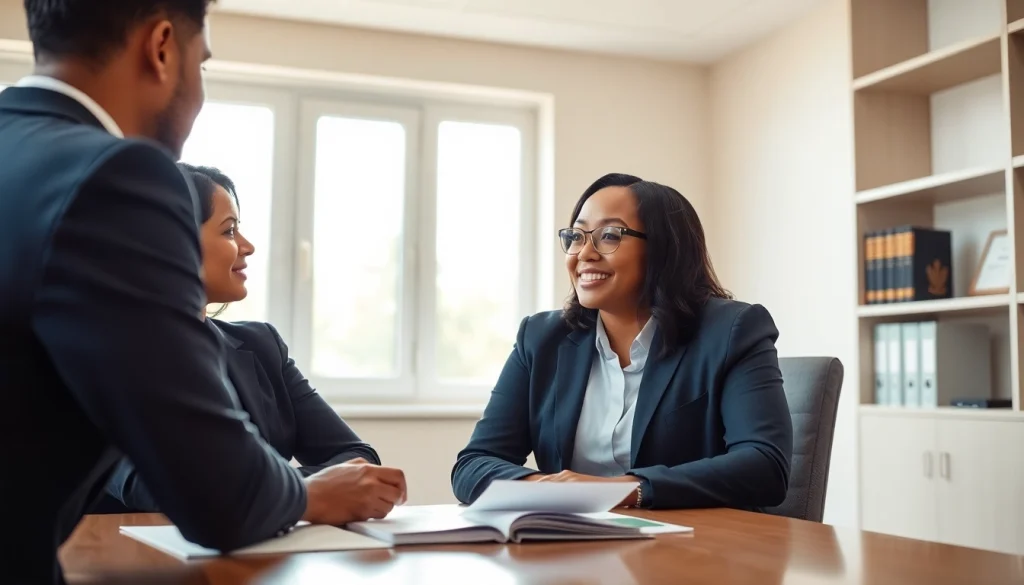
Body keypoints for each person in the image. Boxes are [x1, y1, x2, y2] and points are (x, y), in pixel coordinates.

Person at [0, 2, 404, 582]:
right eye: (204, 64)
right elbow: (220, 494)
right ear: (162, 47)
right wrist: (311, 493)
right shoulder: (115, 176)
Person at [450, 173, 793, 511]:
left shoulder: (732, 330)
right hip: (570, 549)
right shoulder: (541, 339)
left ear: (663, 249)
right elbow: (474, 464)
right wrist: (550, 489)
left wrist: (624, 490)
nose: (584, 253)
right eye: (577, 236)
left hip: (696, 549)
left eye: (609, 236)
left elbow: (763, 466)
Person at [103, 163, 384, 512]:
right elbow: (162, 491)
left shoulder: (262, 346)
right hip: (141, 559)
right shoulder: (105, 355)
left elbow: (358, 458)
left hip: (266, 554)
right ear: (173, 242)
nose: (247, 247)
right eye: (229, 231)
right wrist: (310, 493)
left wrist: (287, 494)